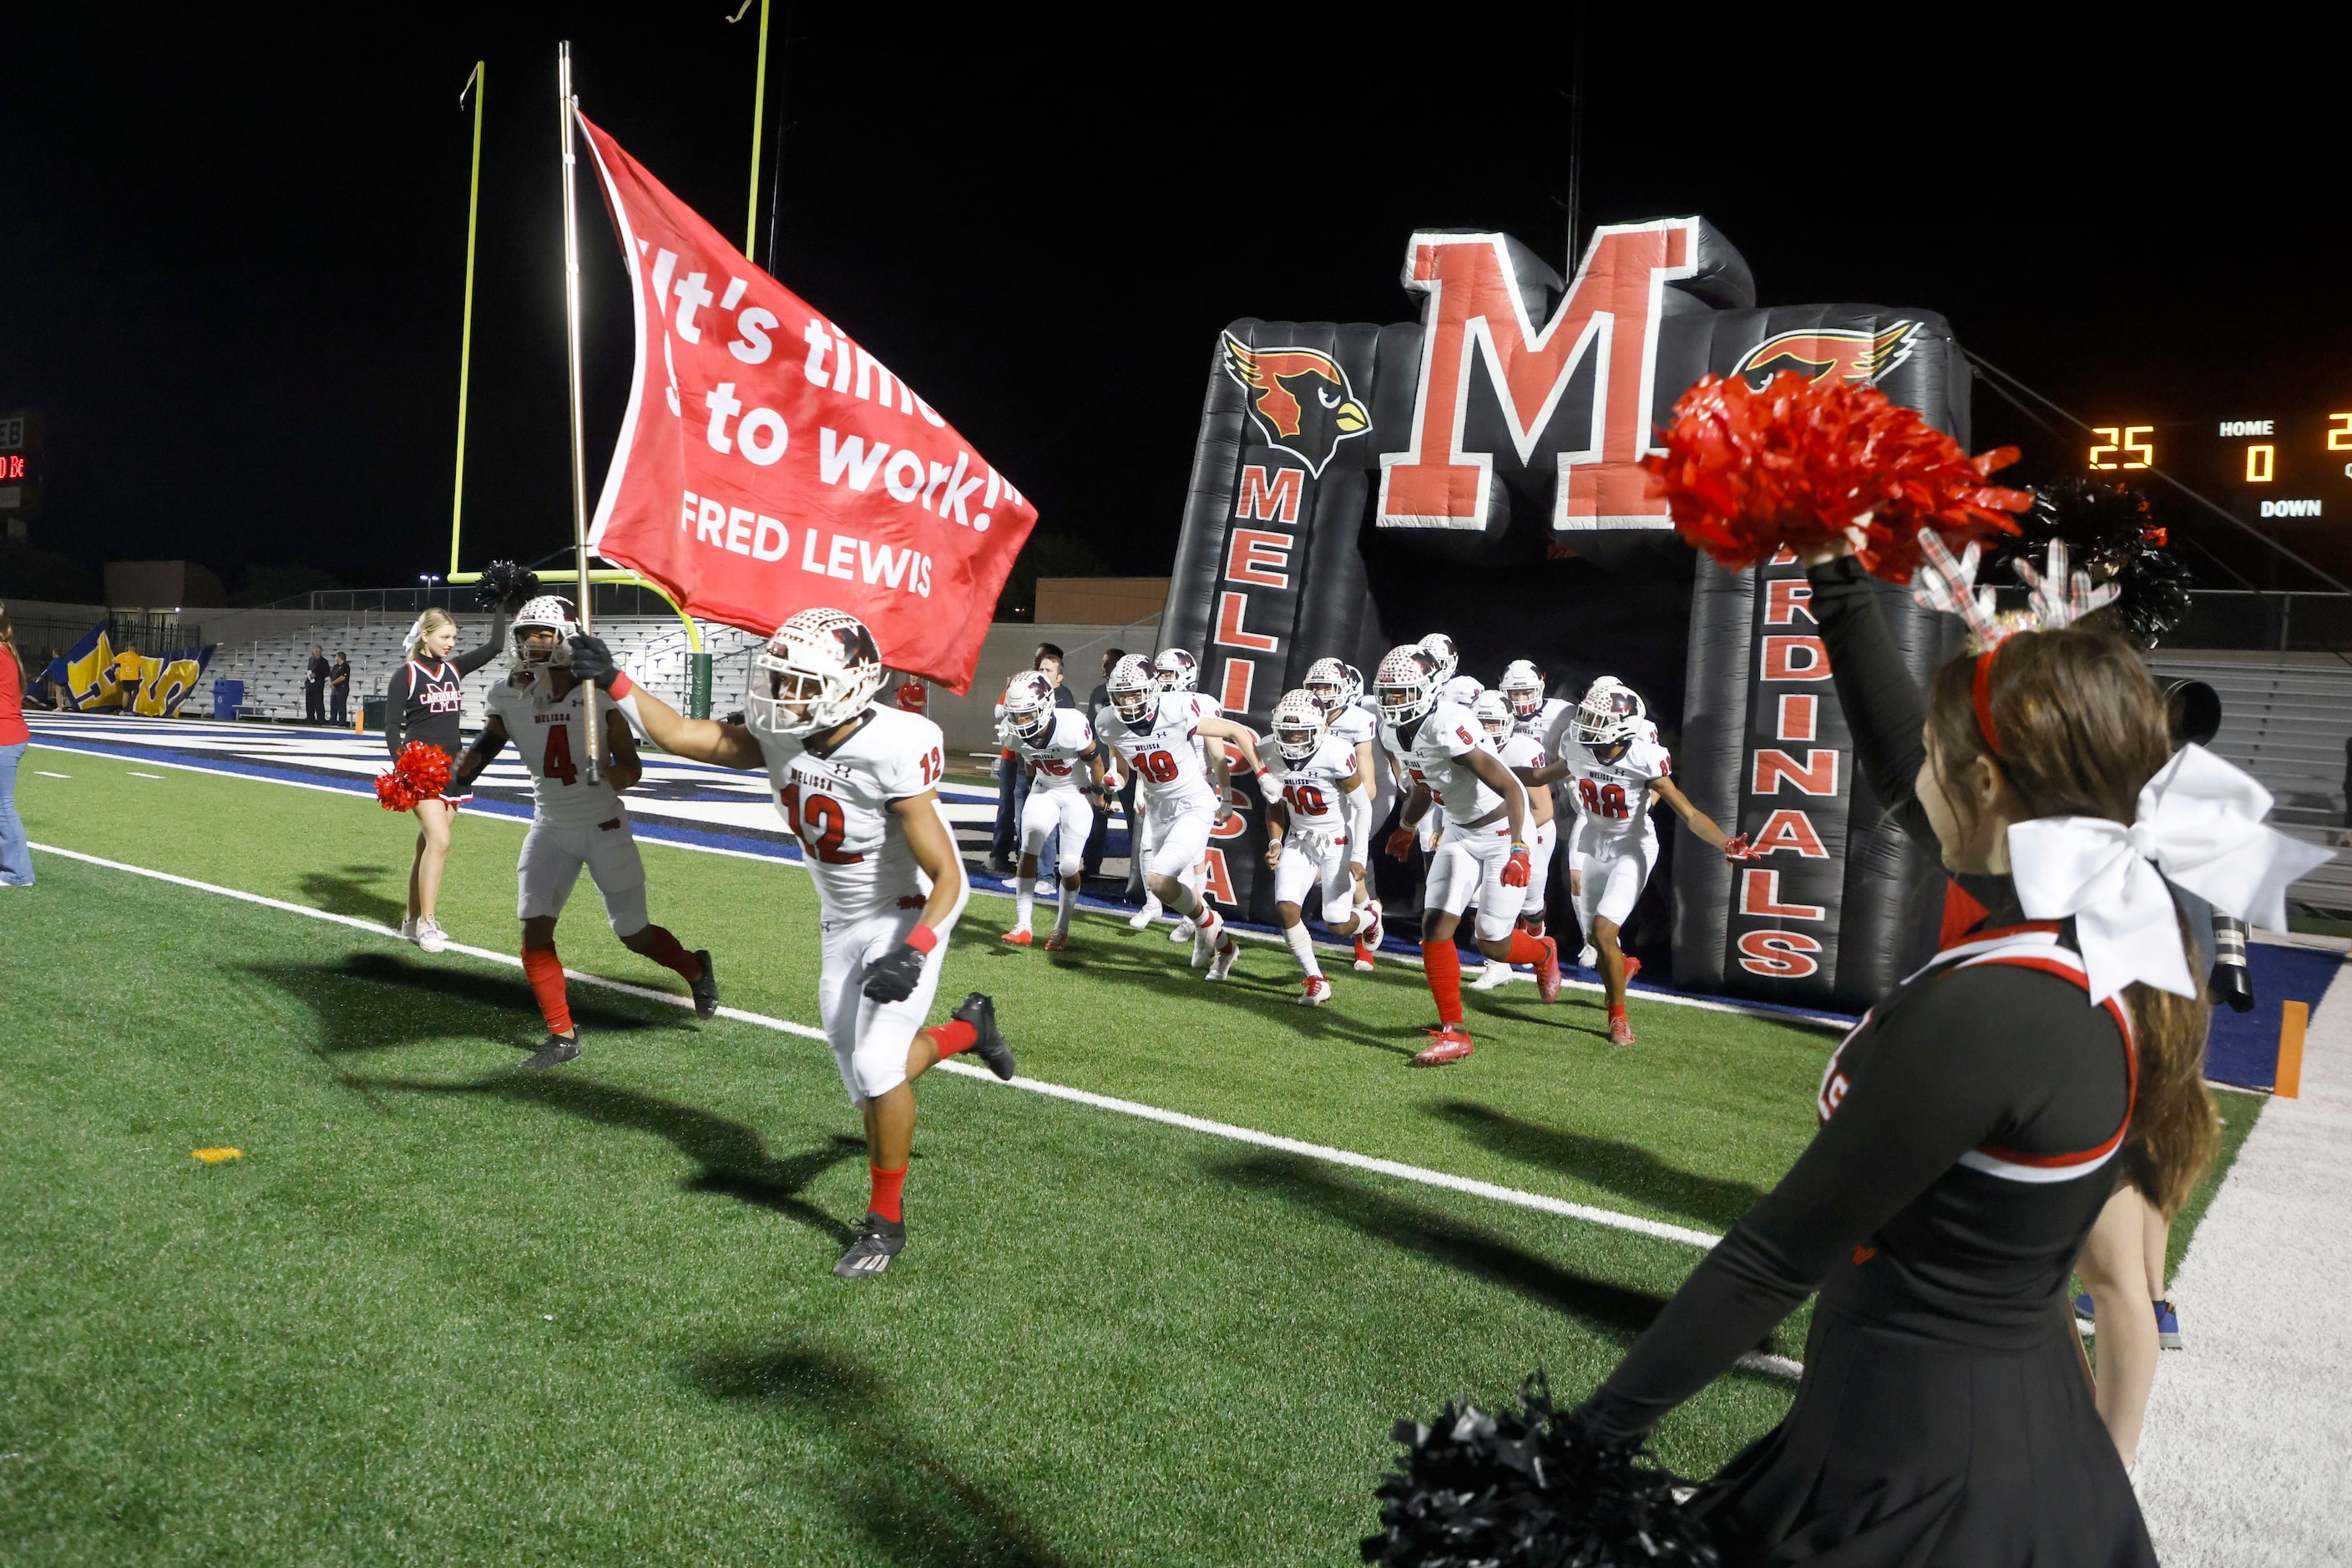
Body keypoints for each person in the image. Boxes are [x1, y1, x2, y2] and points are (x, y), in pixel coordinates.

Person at [1568, 539, 2273, 1565]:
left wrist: (1583, 1445)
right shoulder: (2093, 912)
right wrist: (1834, 577)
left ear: (1986, 783)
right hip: (1956, 1439)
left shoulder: (2007, 1001)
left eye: (1947, 759)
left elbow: (1775, 1258)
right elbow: (1905, 771)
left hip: (1932, 1489)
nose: (1917, 780)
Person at [566, 607, 1014, 1280]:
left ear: (852, 685)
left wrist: (915, 948)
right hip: (839, 922)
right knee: (863, 1088)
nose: (781, 696)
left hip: (907, 915)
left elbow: (951, 875)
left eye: (798, 683)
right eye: (778, 679)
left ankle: (884, 1223)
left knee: (876, 1069)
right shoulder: (786, 735)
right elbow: (688, 736)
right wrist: (618, 681)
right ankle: (965, 1030)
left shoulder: (894, 743)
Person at [444, 596, 717, 1070]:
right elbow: (482, 751)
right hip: (549, 824)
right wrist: (448, 773)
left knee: (633, 933)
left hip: (603, 824)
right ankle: (562, 1035)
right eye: (526, 633)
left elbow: (631, 766)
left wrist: (610, 777)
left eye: (544, 633)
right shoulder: (508, 693)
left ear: (567, 637)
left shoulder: (597, 694)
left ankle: (695, 968)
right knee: (533, 929)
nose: (532, 642)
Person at [1526, 678, 1749, 1046]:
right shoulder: (1579, 747)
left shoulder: (1643, 755)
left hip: (1632, 845)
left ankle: (1618, 1018)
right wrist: (1492, 775)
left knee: (1602, 931)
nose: (1587, 726)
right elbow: (1539, 777)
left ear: (1622, 728)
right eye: (1588, 716)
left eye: (1598, 720)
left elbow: (1689, 814)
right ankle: (1621, 964)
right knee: (1595, 942)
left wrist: (1724, 842)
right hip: (1591, 836)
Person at [1373, 643, 1559, 1065]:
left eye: (1400, 693)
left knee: (1492, 942)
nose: (1391, 702)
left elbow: (1512, 787)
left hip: (1501, 829)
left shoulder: (1449, 723)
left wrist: (1518, 848)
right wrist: (1406, 826)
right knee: (1435, 924)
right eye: (1386, 693)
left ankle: (1544, 951)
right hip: (1458, 831)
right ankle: (1454, 1032)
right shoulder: (1391, 730)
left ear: (1427, 689)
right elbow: (1425, 780)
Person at [1096, 652, 1269, 981]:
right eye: (1122, 696)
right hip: (1159, 810)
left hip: (1193, 804)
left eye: (1135, 694)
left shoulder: (1176, 709)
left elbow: (1234, 731)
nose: (1129, 703)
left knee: (1159, 881)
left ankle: (1206, 924)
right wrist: (1115, 778)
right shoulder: (1108, 722)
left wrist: (1262, 776)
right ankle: (1226, 946)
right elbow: (1119, 762)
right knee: (1181, 891)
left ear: (1151, 689)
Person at [386, 604, 511, 953]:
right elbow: (391, 726)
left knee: (427, 846)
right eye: (445, 636)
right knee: (439, 841)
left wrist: (501, 602)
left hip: (454, 771)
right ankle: (427, 922)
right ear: (425, 635)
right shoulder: (407, 674)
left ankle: (411, 921)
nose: (451, 643)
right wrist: (402, 764)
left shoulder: (453, 669)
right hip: (421, 770)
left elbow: (495, 647)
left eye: (454, 638)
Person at [1262, 689, 1383, 1004]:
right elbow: (1275, 804)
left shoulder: (1336, 752)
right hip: (1300, 840)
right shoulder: (1268, 750)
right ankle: (1316, 978)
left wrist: (1359, 855)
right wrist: (1275, 839)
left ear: (1320, 729)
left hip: (1337, 841)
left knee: (1338, 923)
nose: (1292, 738)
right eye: (1286, 731)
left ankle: (1369, 916)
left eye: (1300, 731)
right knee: (1287, 907)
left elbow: (1362, 807)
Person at [999, 673, 1115, 949]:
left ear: (1046, 706)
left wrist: (1100, 795)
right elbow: (1029, 761)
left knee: (1069, 865)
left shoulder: (1071, 724)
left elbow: (1096, 762)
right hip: (1045, 789)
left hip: (1077, 792)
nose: (1021, 722)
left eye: (1027, 714)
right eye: (1016, 715)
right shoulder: (1010, 733)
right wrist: (1032, 788)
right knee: (1028, 850)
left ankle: (1061, 928)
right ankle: (1023, 925)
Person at [1467, 690, 1555, 990]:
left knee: (1532, 908)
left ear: (1507, 722)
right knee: (1480, 899)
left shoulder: (1522, 749)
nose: (1487, 730)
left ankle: (1539, 946)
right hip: (1489, 834)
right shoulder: (1464, 746)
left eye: (1493, 723)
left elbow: (1544, 810)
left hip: (1531, 832)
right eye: (1481, 722)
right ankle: (1498, 966)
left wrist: (1512, 835)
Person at [1304, 657, 1383, 970]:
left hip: (1348, 803)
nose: (1321, 693)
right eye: (1315, 687)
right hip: (1313, 804)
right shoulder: (1302, 711)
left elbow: (1370, 786)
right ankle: (1369, 917)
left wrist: (1345, 797)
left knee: (1349, 874)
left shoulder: (1358, 721)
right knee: (1319, 876)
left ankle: (1364, 940)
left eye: (1328, 687)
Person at [1082, 647, 1124, 880]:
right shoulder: (1099, 692)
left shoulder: (1132, 692)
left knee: (1138, 816)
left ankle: (1142, 872)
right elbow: (1090, 728)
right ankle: (1091, 864)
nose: (1103, 667)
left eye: (1107, 663)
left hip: (1128, 765)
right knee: (1098, 814)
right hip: (1101, 764)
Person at [0, 607, 33, 888]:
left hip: (4, 736)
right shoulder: (6, 651)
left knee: (2, 806)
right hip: (10, 734)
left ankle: (19, 874)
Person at [305, 643, 329, 724]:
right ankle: (310, 718)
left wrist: (317, 675)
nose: (317, 653)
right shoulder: (311, 659)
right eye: (316, 651)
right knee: (309, 702)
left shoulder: (324, 661)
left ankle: (320, 719)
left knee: (319, 702)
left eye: (318, 651)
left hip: (318, 684)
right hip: (310, 684)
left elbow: (327, 672)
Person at [329, 650, 352, 726]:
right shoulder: (335, 667)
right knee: (333, 705)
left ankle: (342, 722)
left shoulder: (345, 666)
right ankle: (333, 721)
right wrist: (331, 682)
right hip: (335, 688)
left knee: (341, 705)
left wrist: (333, 683)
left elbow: (342, 677)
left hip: (342, 688)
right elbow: (331, 675)